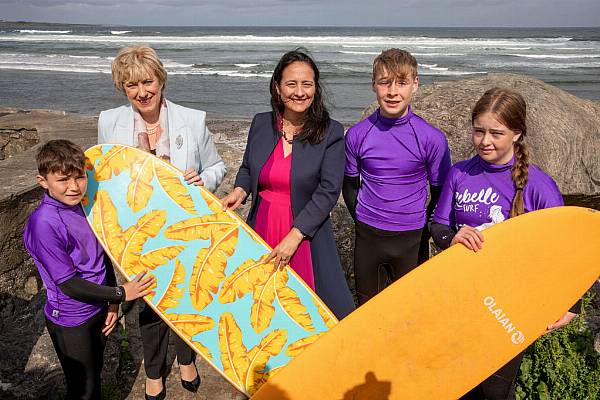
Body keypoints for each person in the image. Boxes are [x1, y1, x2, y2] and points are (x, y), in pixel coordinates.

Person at [430, 88, 579, 400]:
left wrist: (572, 303)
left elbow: (567, 248)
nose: (485, 141)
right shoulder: (460, 173)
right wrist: (452, 237)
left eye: (496, 133)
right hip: (463, 299)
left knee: (496, 391)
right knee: (461, 386)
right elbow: (439, 225)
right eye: (479, 131)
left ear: (516, 134)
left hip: (510, 306)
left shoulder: (538, 186)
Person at [98, 45, 227, 400]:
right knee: (150, 301)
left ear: (161, 79)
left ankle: (186, 359)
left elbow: (218, 166)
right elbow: (103, 179)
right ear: (123, 89)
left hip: (186, 227)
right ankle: (154, 372)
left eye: (147, 81)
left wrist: (205, 181)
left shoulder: (192, 119)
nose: (141, 92)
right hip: (140, 233)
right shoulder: (109, 122)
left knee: (188, 297)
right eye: (131, 86)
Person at [220, 49, 355, 319]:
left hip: (305, 234)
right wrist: (239, 191)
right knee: (259, 308)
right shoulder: (261, 123)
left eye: (307, 84)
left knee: (306, 313)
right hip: (261, 227)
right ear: (277, 87)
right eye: (291, 84)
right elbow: (248, 167)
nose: (300, 91)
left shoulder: (331, 131)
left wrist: (294, 237)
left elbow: (328, 191)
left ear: (315, 88)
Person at [23, 139, 154, 400]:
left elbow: (101, 254)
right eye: (63, 180)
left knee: (95, 379)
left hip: (99, 308)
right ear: (42, 181)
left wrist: (112, 304)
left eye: (80, 177)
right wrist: (120, 294)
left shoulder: (85, 204)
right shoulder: (44, 224)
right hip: (71, 320)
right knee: (83, 390)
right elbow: (68, 284)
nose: (73, 187)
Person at [343, 48, 451, 305]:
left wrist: (423, 226)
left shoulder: (431, 138)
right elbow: (349, 186)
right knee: (368, 311)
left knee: (410, 311)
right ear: (374, 85)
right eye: (384, 83)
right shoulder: (358, 134)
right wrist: (362, 219)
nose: (392, 92)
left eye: (401, 83)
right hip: (369, 237)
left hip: (411, 239)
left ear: (415, 85)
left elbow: (440, 193)